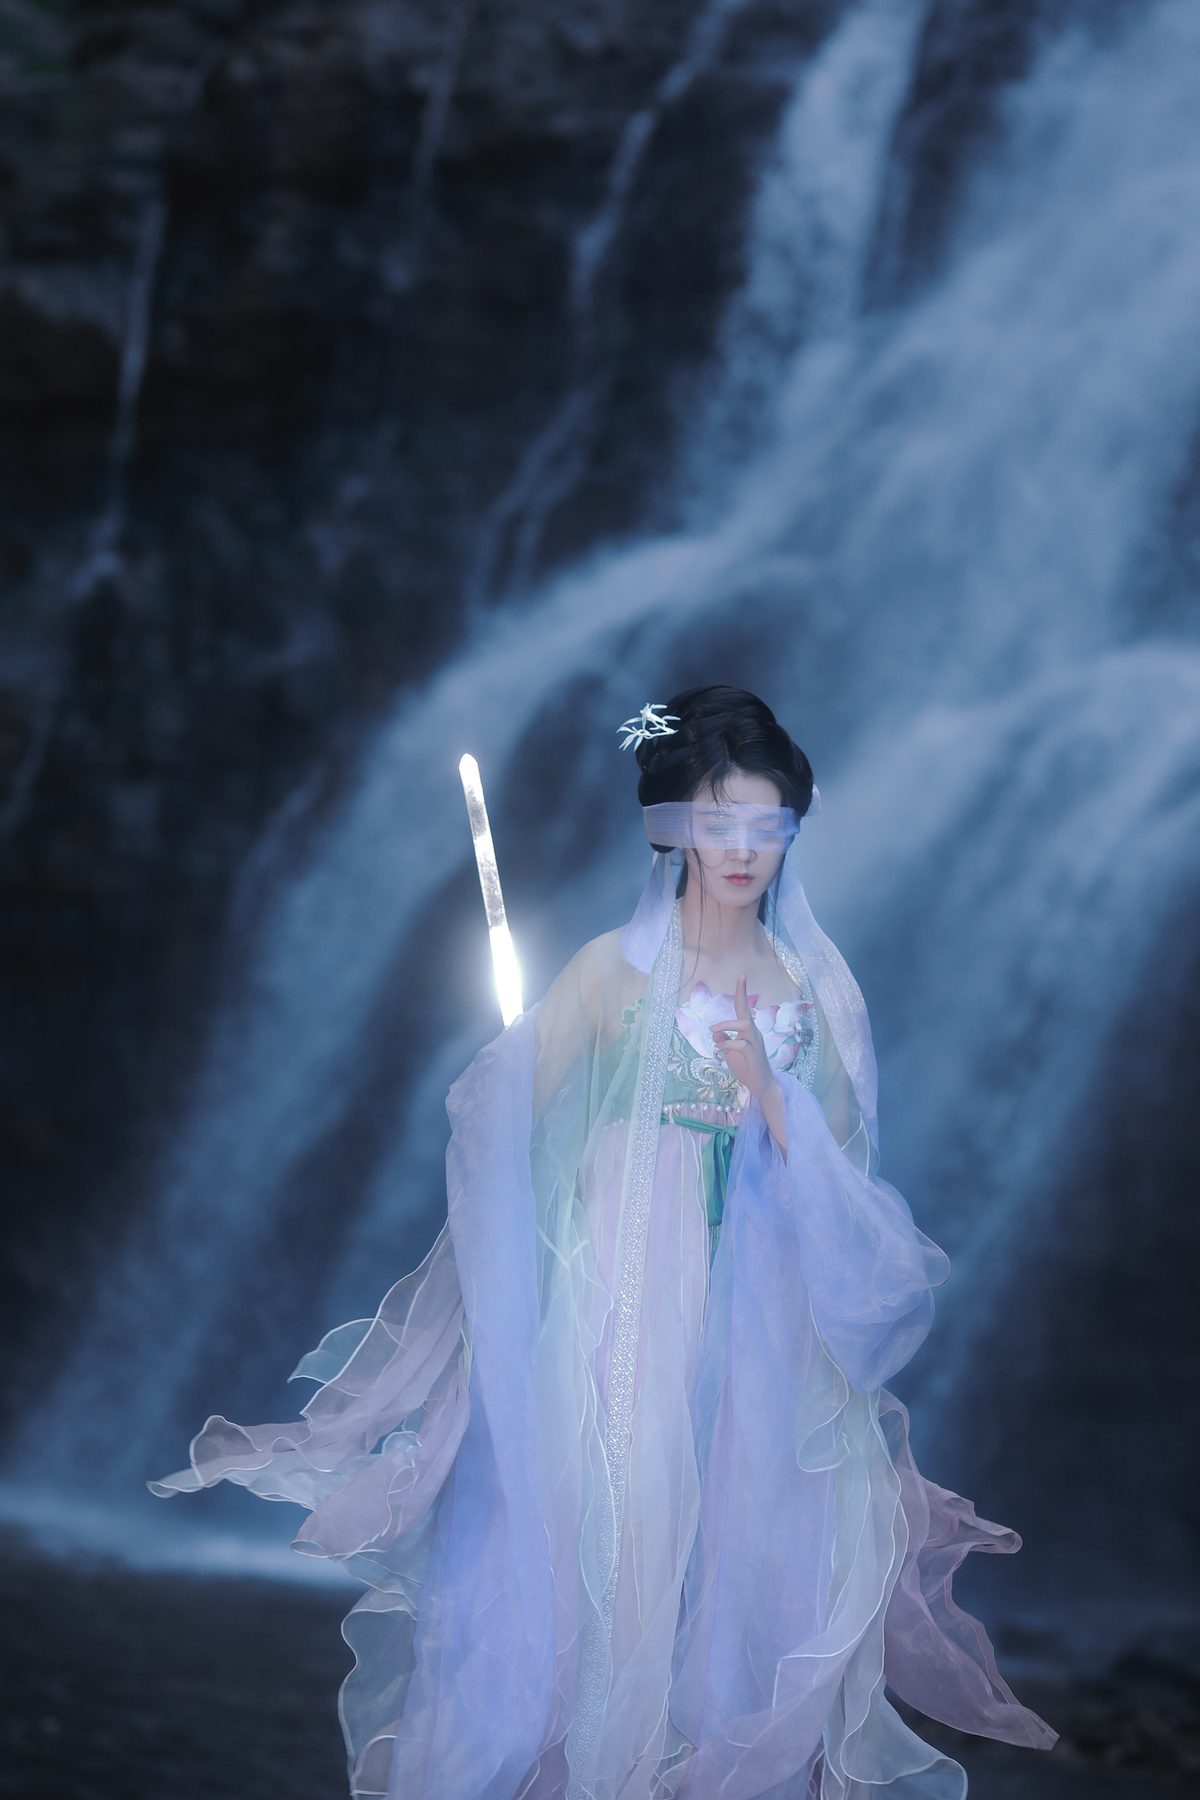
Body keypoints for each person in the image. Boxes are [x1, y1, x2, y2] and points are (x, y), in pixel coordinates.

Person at [148, 685, 1058, 1798]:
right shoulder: (607, 973)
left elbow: (850, 1182)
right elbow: (507, 1128)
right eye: (717, 823)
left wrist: (770, 1096)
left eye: (764, 826)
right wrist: (522, 1109)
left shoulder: (813, 991)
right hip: (623, 1302)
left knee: (741, 1556)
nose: (742, 851)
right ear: (674, 830)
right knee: (617, 1537)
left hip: (763, 1318)